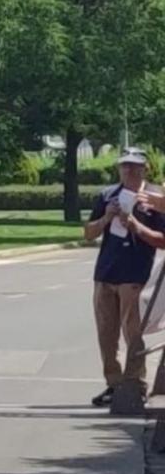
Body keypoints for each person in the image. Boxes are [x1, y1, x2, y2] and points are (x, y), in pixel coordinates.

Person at [83, 147, 165, 407]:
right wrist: (106, 218)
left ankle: (135, 383)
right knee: (106, 334)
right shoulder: (108, 195)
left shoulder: (155, 199)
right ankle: (114, 383)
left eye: (135, 166)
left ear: (145, 168)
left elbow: (162, 241)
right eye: (125, 165)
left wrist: (135, 225)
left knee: (133, 332)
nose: (129, 170)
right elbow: (88, 232)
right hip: (106, 273)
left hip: (134, 274)